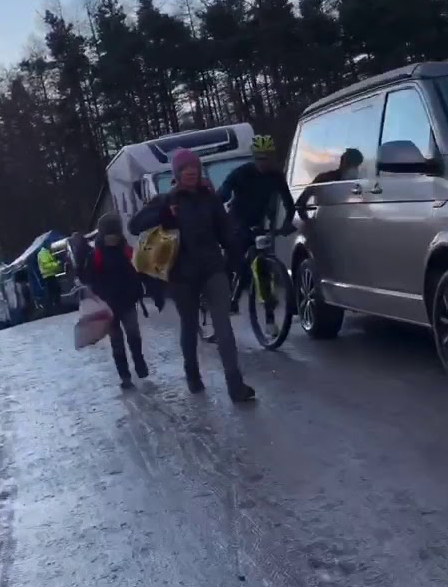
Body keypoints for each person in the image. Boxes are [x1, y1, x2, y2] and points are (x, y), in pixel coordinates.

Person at [130, 147, 256, 403]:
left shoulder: (210, 199)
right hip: (181, 276)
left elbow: (225, 230)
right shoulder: (166, 200)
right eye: (185, 169)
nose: (190, 172)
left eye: (194, 168)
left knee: (223, 327)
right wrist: (165, 215)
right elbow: (134, 226)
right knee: (189, 326)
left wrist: (236, 260)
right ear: (176, 173)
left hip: (212, 268)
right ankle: (192, 373)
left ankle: (235, 384)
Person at [217, 134, 296, 329]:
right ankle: (226, 296)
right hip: (237, 219)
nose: (264, 162)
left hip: (258, 222)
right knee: (235, 256)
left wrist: (286, 223)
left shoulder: (276, 177)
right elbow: (223, 193)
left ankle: (269, 318)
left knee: (261, 267)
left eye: (267, 157)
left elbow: (288, 202)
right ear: (254, 157)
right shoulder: (241, 173)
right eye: (260, 158)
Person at [82, 213, 149, 388]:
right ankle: (131, 370)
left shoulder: (114, 251)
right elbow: (91, 279)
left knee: (125, 338)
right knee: (125, 338)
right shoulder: (110, 252)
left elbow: (89, 279)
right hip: (116, 304)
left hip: (118, 303)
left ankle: (130, 370)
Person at [295, 148, 365, 223]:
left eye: (356, 165)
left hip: (344, 227)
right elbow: (300, 203)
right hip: (322, 224)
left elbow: (362, 207)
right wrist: (308, 223)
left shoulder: (357, 184)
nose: (354, 168)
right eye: (350, 163)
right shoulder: (324, 178)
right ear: (343, 161)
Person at [37, 244, 62, 312]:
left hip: (50, 275)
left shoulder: (46, 252)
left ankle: (55, 307)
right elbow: (46, 265)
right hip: (48, 276)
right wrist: (57, 264)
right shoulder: (43, 253)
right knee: (54, 292)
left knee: (54, 292)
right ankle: (55, 308)